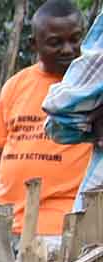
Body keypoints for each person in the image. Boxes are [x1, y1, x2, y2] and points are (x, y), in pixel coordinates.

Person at [0, 0, 89, 256]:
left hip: (62, 227)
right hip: (5, 223)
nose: (68, 49)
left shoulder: (92, 89)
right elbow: (0, 155)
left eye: (75, 39)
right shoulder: (14, 86)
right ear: (34, 44)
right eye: (56, 42)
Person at [45, 1, 103, 234]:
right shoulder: (16, 86)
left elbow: (60, 116)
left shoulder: (71, 96)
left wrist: (94, 118)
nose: (68, 50)